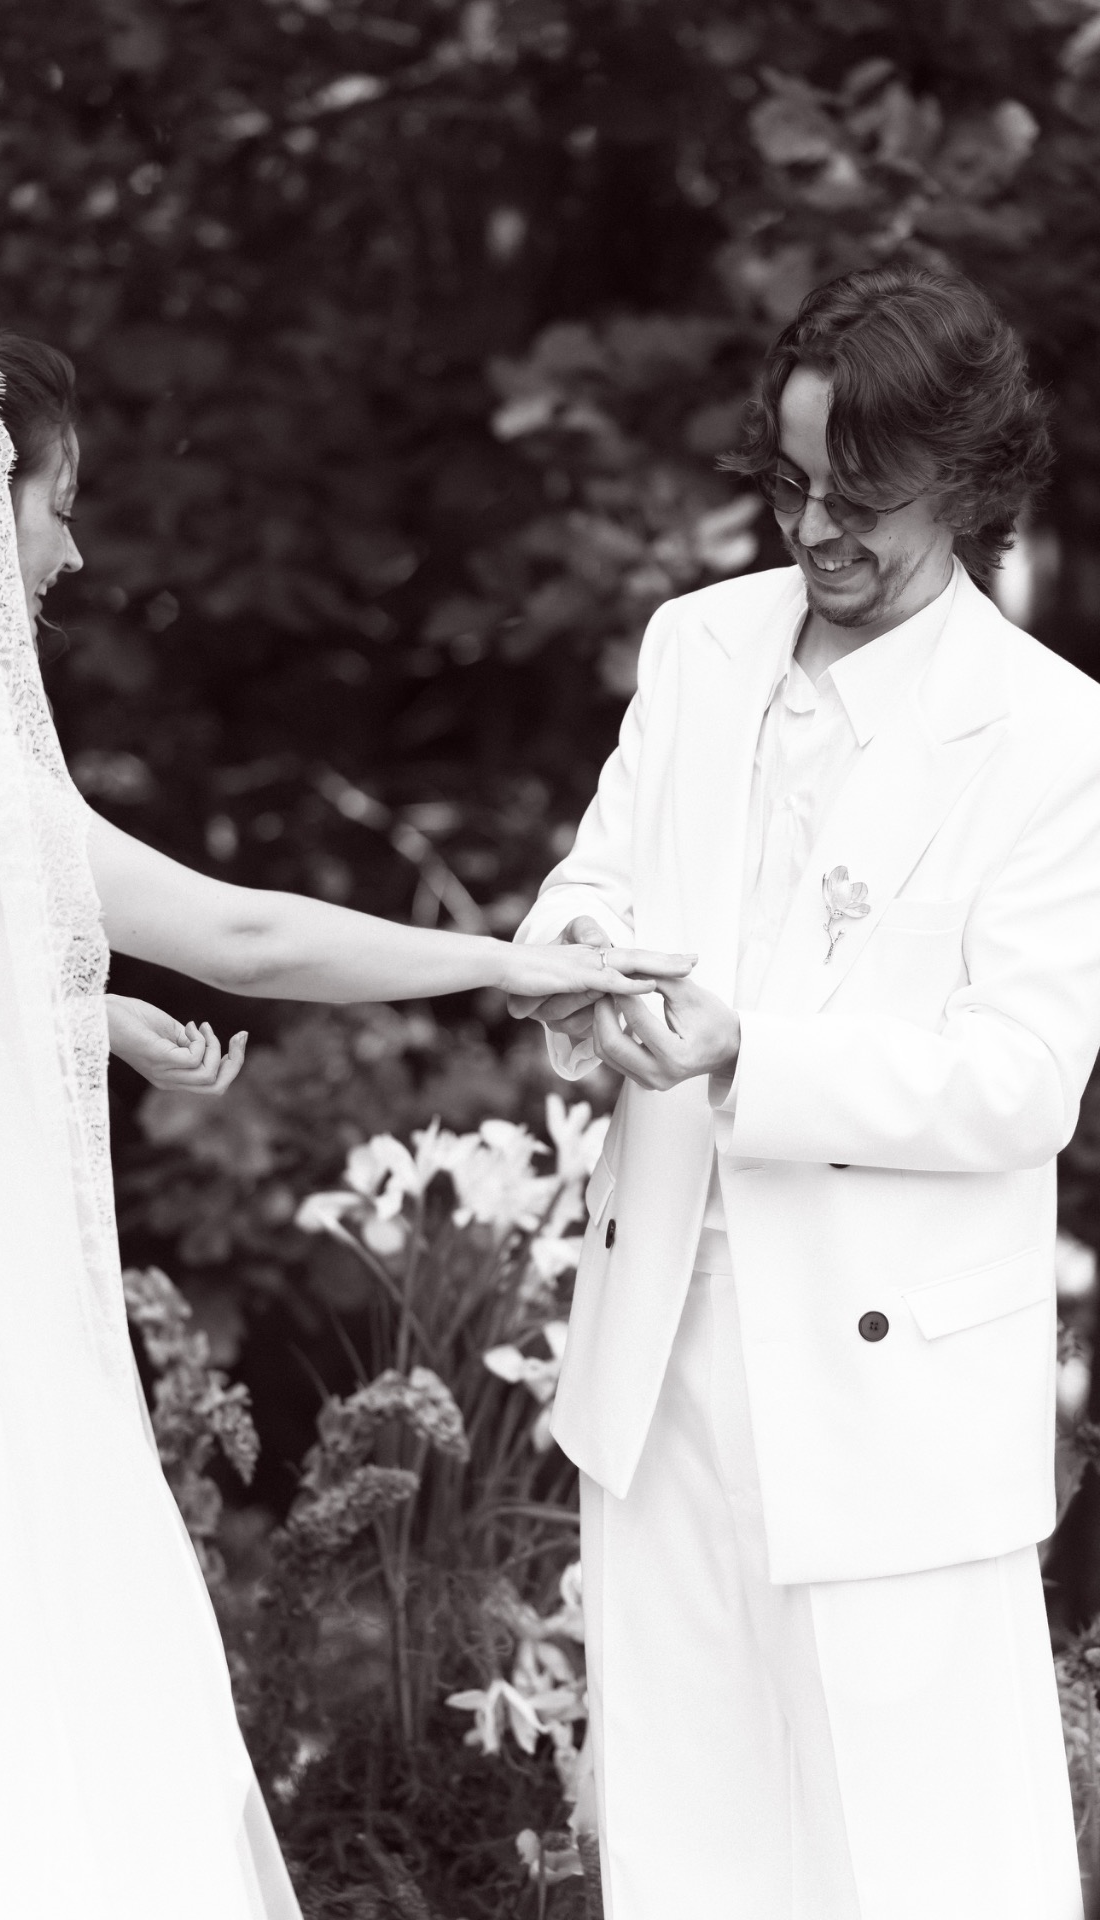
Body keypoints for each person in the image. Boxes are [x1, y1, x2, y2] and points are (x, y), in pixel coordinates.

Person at [0, 330, 675, 1920]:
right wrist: (506, 962)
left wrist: (73, 1019)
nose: (75, 549)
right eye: (61, 502)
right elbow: (243, 938)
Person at [510, 263, 1100, 1919]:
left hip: (890, 1385)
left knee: (923, 1866)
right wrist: (581, 967)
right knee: (689, 1854)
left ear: (969, 483)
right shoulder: (695, 645)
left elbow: (1022, 1080)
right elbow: (592, 882)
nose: (816, 528)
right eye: (791, 483)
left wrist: (753, 1053)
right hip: (657, 1352)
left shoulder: (1055, 735)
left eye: (862, 493)